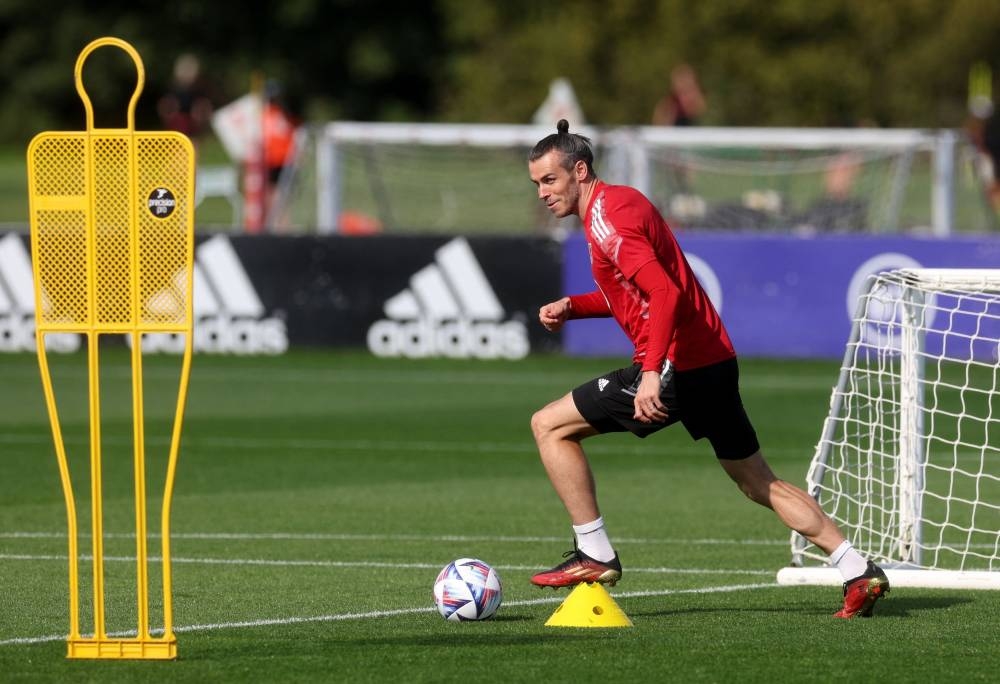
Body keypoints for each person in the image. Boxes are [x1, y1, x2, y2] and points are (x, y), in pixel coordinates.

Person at [525, 119, 890, 619]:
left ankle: (595, 552)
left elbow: (666, 293)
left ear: (580, 171)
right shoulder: (619, 203)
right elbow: (633, 292)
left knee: (549, 425)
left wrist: (651, 372)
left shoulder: (609, 220)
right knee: (757, 481)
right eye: (537, 184)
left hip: (678, 364)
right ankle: (857, 569)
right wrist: (575, 305)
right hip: (713, 360)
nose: (543, 194)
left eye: (550, 180)